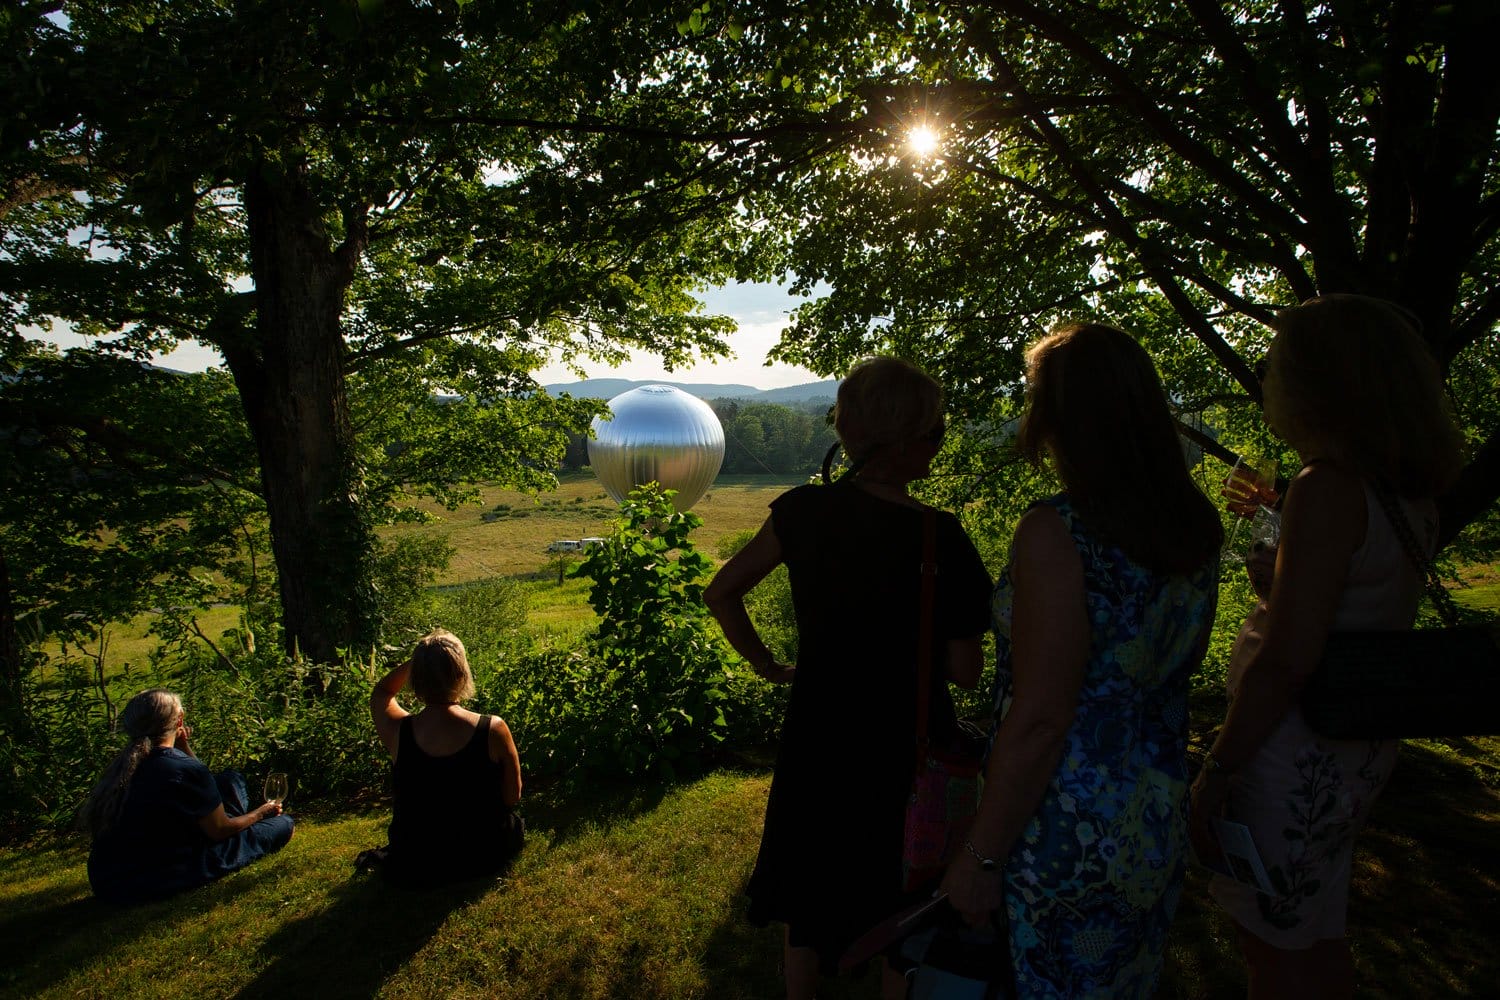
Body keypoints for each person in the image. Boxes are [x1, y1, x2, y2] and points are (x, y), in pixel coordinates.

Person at [1189, 294, 1465, 999]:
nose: (1269, 376)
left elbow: (1287, 658)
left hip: (1293, 749)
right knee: (1312, 929)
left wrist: (1218, 770)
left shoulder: (1329, 488)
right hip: (1356, 742)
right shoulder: (1405, 493)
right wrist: (1282, 527)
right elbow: (1360, 594)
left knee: (1271, 945)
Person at [940, 322, 1222, 997]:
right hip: (1152, 815)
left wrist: (979, 856)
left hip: (1061, 828)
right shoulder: (1194, 524)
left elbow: (1041, 719)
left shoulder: (1058, 533)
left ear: (1060, 417)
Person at [705, 356, 992, 1000]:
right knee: (905, 895)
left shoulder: (802, 512)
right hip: (906, 745)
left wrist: (768, 664)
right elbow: (966, 672)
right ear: (910, 440)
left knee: (809, 893)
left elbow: (722, 592)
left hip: (819, 735)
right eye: (937, 430)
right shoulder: (939, 535)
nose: (940, 441)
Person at [81, 688, 293, 904]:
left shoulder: (121, 767)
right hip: (160, 876)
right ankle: (243, 827)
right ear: (179, 719)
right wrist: (260, 813)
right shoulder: (181, 768)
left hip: (109, 882)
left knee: (231, 779)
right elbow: (219, 830)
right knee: (283, 824)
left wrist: (183, 746)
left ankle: (236, 821)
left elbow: (203, 785)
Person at [369, 629, 524, 887]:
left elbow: (382, 692)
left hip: (416, 860)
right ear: (461, 675)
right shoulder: (492, 729)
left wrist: (422, 660)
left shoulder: (399, 732)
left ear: (416, 679)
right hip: (482, 855)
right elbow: (512, 798)